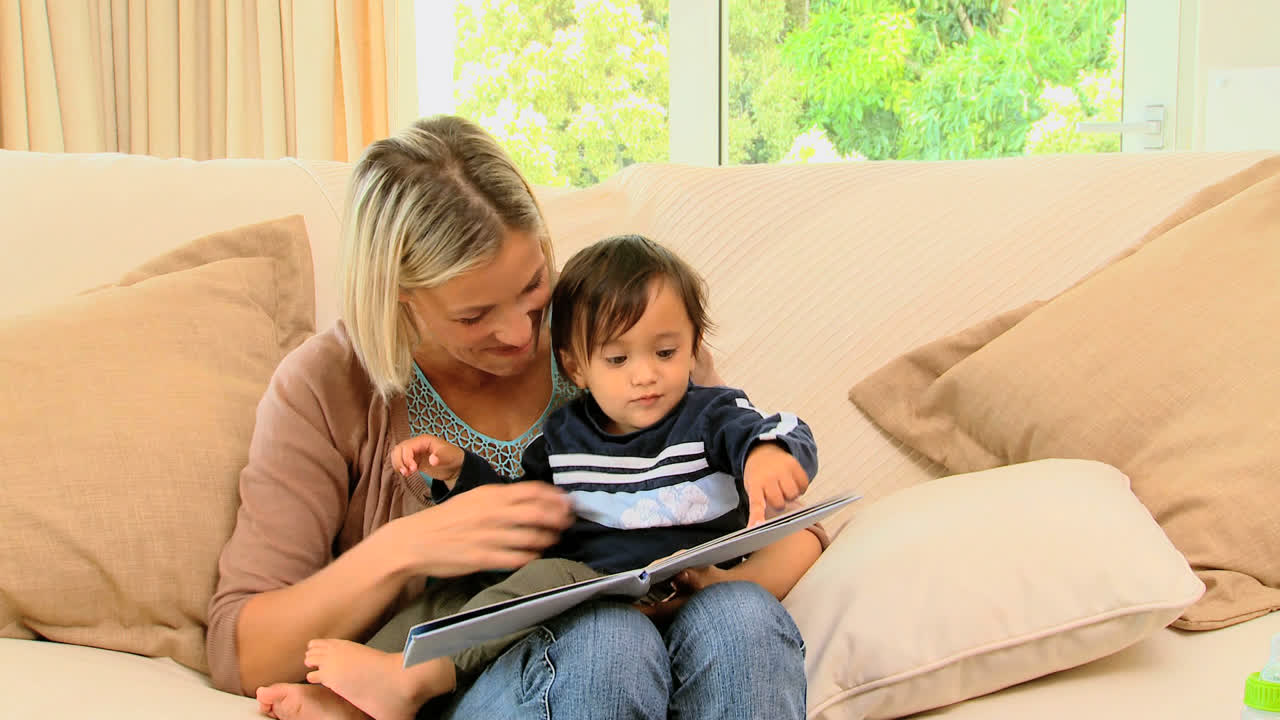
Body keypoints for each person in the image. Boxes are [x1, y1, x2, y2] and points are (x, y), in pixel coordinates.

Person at [206, 114, 819, 720]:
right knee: (608, 642)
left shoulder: (619, 337)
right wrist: (406, 548)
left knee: (744, 618)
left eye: (533, 287)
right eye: (473, 317)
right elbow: (244, 650)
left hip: (672, 642)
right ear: (397, 295)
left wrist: (708, 576)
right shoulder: (326, 385)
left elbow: (786, 513)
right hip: (501, 682)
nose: (521, 333)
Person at [319, 232, 823, 687]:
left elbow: (779, 427)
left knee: (558, 577)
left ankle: (418, 675)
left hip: (699, 597)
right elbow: (519, 511)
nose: (644, 376)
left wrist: (767, 454)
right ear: (576, 367)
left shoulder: (711, 415)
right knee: (473, 590)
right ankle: (365, 674)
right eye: (618, 359)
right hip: (594, 611)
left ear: (694, 347)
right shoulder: (565, 437)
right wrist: (459, 471)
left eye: (665, 353)